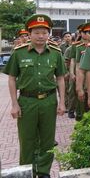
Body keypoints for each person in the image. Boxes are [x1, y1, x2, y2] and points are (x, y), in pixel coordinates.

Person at [4, 14, 66, 178]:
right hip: (26, 101)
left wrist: (62, 103)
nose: (40, 36)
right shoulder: (19, 53)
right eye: (37, 32)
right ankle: (27, 171)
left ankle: (44, 172)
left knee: (47, 139)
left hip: (49, 100)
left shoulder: (55, 53)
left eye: (44, 32)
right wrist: (14, 104)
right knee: (27, 139)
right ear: (29, 34)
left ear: (48, 34)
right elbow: (11, 78)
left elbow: (60, 78)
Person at [73, 22, 90, 120]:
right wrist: (78, 85)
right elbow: (78, 66)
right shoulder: (79, 47)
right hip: (85, 79)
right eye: (87, 32)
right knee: (85, 104)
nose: (89, 35)